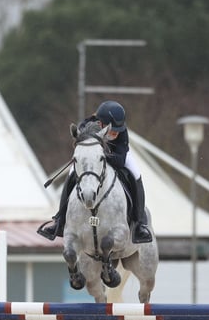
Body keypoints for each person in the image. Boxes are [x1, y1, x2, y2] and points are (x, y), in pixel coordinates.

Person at [37, 100, 153, 243]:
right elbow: (81, 149)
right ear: (101, 123)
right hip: (90, 160)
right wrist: (94, 156)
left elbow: (120, 159)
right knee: (72, 173)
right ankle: (59, 221)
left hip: (115, 156)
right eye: (113, 129)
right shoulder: (86, 127)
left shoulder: (122, 132)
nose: (116, 133)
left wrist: (102, 156)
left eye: (118, 130)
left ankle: (140, 223)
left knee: (136, 174)